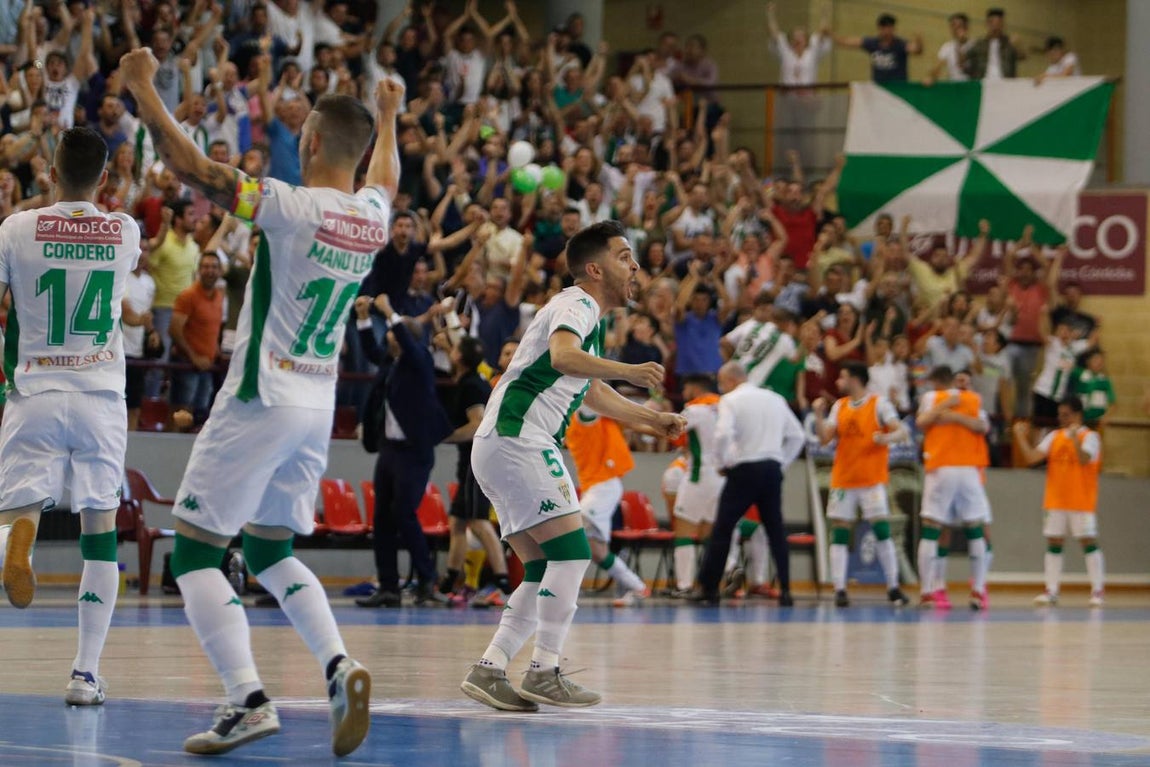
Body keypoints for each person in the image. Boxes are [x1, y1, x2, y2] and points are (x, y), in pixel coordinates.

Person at [120, 49, 402, 757]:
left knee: (194, 553)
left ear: (312, 141)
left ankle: (246, 698)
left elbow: (192, 168)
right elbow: (387, 179)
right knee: (271, 550)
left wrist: (144, 90)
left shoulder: (288, 204)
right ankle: (337, 664)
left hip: (260, 395)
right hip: (316, 405)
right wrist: (391, 116)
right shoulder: (372, 217)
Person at [460, 221, 685, 712]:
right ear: (594, 269)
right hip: (520, 438)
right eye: (624, 256)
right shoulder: (577, 304)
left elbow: (590, 390)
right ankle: (544, 670)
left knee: (542, 566)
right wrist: (630, 370)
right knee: (573, 553)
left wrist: (652, 420)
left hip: (503, 443)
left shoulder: (586, 320)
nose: (635, 266)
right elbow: (564, 357)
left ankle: (490, 668)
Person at [0, 127, 140, 705]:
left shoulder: (16, 229)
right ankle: (85, 675)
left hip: (34, 391)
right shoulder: (124, 231)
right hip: (100, 396)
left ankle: (18, 541)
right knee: (100, 535)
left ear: (50, 173)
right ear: (104, 178)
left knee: (14, 513)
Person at [355, 292, 453, 608]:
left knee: (403, 513)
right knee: (382, 518)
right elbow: (371, 351)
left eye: (392, 334)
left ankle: (426, 580)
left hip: (414, 451)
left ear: (401, 337)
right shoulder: (393, 362)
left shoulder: (419, 359)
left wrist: (389, 311)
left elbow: (409, 344)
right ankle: (388, 587)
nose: (387, 338)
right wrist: (363, 319)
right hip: (389, 450)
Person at [692, 361, 805, 607]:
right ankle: (786, 590)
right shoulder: (775, 399)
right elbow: (798, 435)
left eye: (722, 383)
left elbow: (723, 434)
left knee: (723, 529)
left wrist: (723, 461)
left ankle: (709, 589)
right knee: (776, 530)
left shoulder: (731, 400)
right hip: (771, 470)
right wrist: (780, 464)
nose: (721, 388)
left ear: (731, 380)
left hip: (744, 469)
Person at [812, 362, 910, 608]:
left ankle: (893, 586)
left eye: (842, 376)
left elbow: (902, 432)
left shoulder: (879, 404)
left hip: (871, 480)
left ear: (854, 379)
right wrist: (818, 416)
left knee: (881, 529)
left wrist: (885, 438)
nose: (838, 381)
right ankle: (839, 589)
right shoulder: (839, 406)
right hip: (844, 479)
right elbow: (824, 439)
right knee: (840, 530)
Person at [435, 333, 513, 609]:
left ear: (459, 356)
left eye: (454, 348)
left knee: (478, 522)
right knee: (457, 522)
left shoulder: (472, 385)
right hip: (468, 460)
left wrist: (446, 437)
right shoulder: (469, 380)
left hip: (476, 462)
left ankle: (503, 585)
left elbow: (477, 423)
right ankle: (449, 583)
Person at [1013, 396, 1105, 607]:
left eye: (1066, 415)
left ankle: (1097, 590)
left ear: (1078, 415)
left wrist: (1074, 439)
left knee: (1088, 542)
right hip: (1056, 499)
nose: (1062, 419)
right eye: (1060, 415)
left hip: (1081, 500)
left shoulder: (1090, 437)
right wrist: (1019, 436)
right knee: (1054, 542)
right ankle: (1051, 590)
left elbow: (1084, 459)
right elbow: (1031, 458)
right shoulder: (1054, 436)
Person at [915, 366, 992, 611]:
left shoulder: (935, 397)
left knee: (935, 527)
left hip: (947, 467)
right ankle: (974, 590)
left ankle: (929, 592)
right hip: (963, 469)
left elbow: (921, 422)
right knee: (971, 528)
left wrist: (950, 413)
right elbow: (982, 427)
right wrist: (952, 411)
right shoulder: (970, 399)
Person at [564, 405, 650, 607]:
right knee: (597, 551)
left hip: (603, 487)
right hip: (595, 488)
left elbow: (596, 396)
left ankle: (561, 591)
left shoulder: (585, 411)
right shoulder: (568, 421)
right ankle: (638, 587)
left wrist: (652, 418)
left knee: (571, 536)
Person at [670, 374, 724, 597]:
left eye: (685, 389)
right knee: (709, 533)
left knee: (683, 530)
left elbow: (674, 433)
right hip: (722, 476)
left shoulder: (694, 409)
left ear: (694, 388)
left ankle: (684, 585)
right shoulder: (727, 407)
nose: (684, 394)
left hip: (698, 474)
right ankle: (715, 581)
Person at [169, 252, 225, 427]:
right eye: (206, 267)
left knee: (201, 416)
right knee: (181, 414)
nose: (210, 271)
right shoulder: (188, 295)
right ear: (199, 270)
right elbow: (174, 330)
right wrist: (193, 357)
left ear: (220, 271)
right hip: (187, 365)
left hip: (207, 366)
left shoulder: (219, 296)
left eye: (214, 267)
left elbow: (212, 328)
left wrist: (215, 350)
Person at [833, 13, 923, 84]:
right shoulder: (872, 43)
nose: (887, 31)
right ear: (879, 28)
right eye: (884, 28)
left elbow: (917, 50)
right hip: (878, 88)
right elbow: (845, 42)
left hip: (897, 88)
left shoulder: (900, 44)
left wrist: (919, 40)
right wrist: (830, 34)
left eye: (890, 28)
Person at [964, 8, 1026, 80]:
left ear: (1003, 24)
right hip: (984, 82)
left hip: (1005, 82)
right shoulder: (978, 43)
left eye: (998, 23)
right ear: (987, 24)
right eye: (992, 23)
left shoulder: (1009, 43)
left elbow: (1023, 57)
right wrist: (963, 42)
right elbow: (963, 61)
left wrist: (1018, 46)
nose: (995, 26)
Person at [926, 12, 971, 84]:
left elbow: (962, 65)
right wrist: (931, 77)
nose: (956, 29)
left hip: (971, 85)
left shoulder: (974, 45)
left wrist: (960, 44)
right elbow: (938, 66)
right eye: (953, 26)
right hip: (953, 85)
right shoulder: (947, 47)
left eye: (959, 26)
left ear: (966, 27)